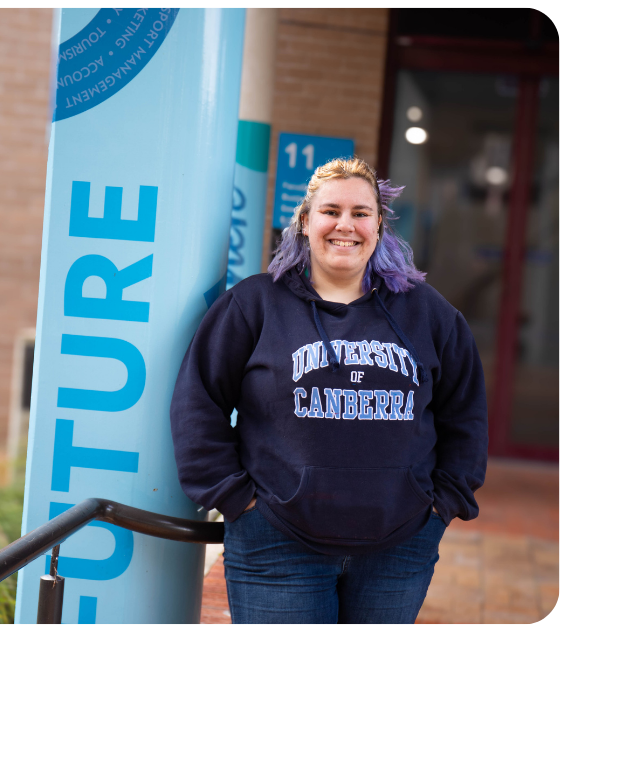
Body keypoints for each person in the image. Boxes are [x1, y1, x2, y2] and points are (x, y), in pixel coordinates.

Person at [170, 157, 488, 625]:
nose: (346, 225)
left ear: (379, 225)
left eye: (361, 213)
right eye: (331, 211)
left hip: (399, 547)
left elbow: (466, 413)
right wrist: (236, 498)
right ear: (305, 221)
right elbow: (198, 403)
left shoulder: (428, 313)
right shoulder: (254, 304)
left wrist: (442, 504)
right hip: (275, 544)